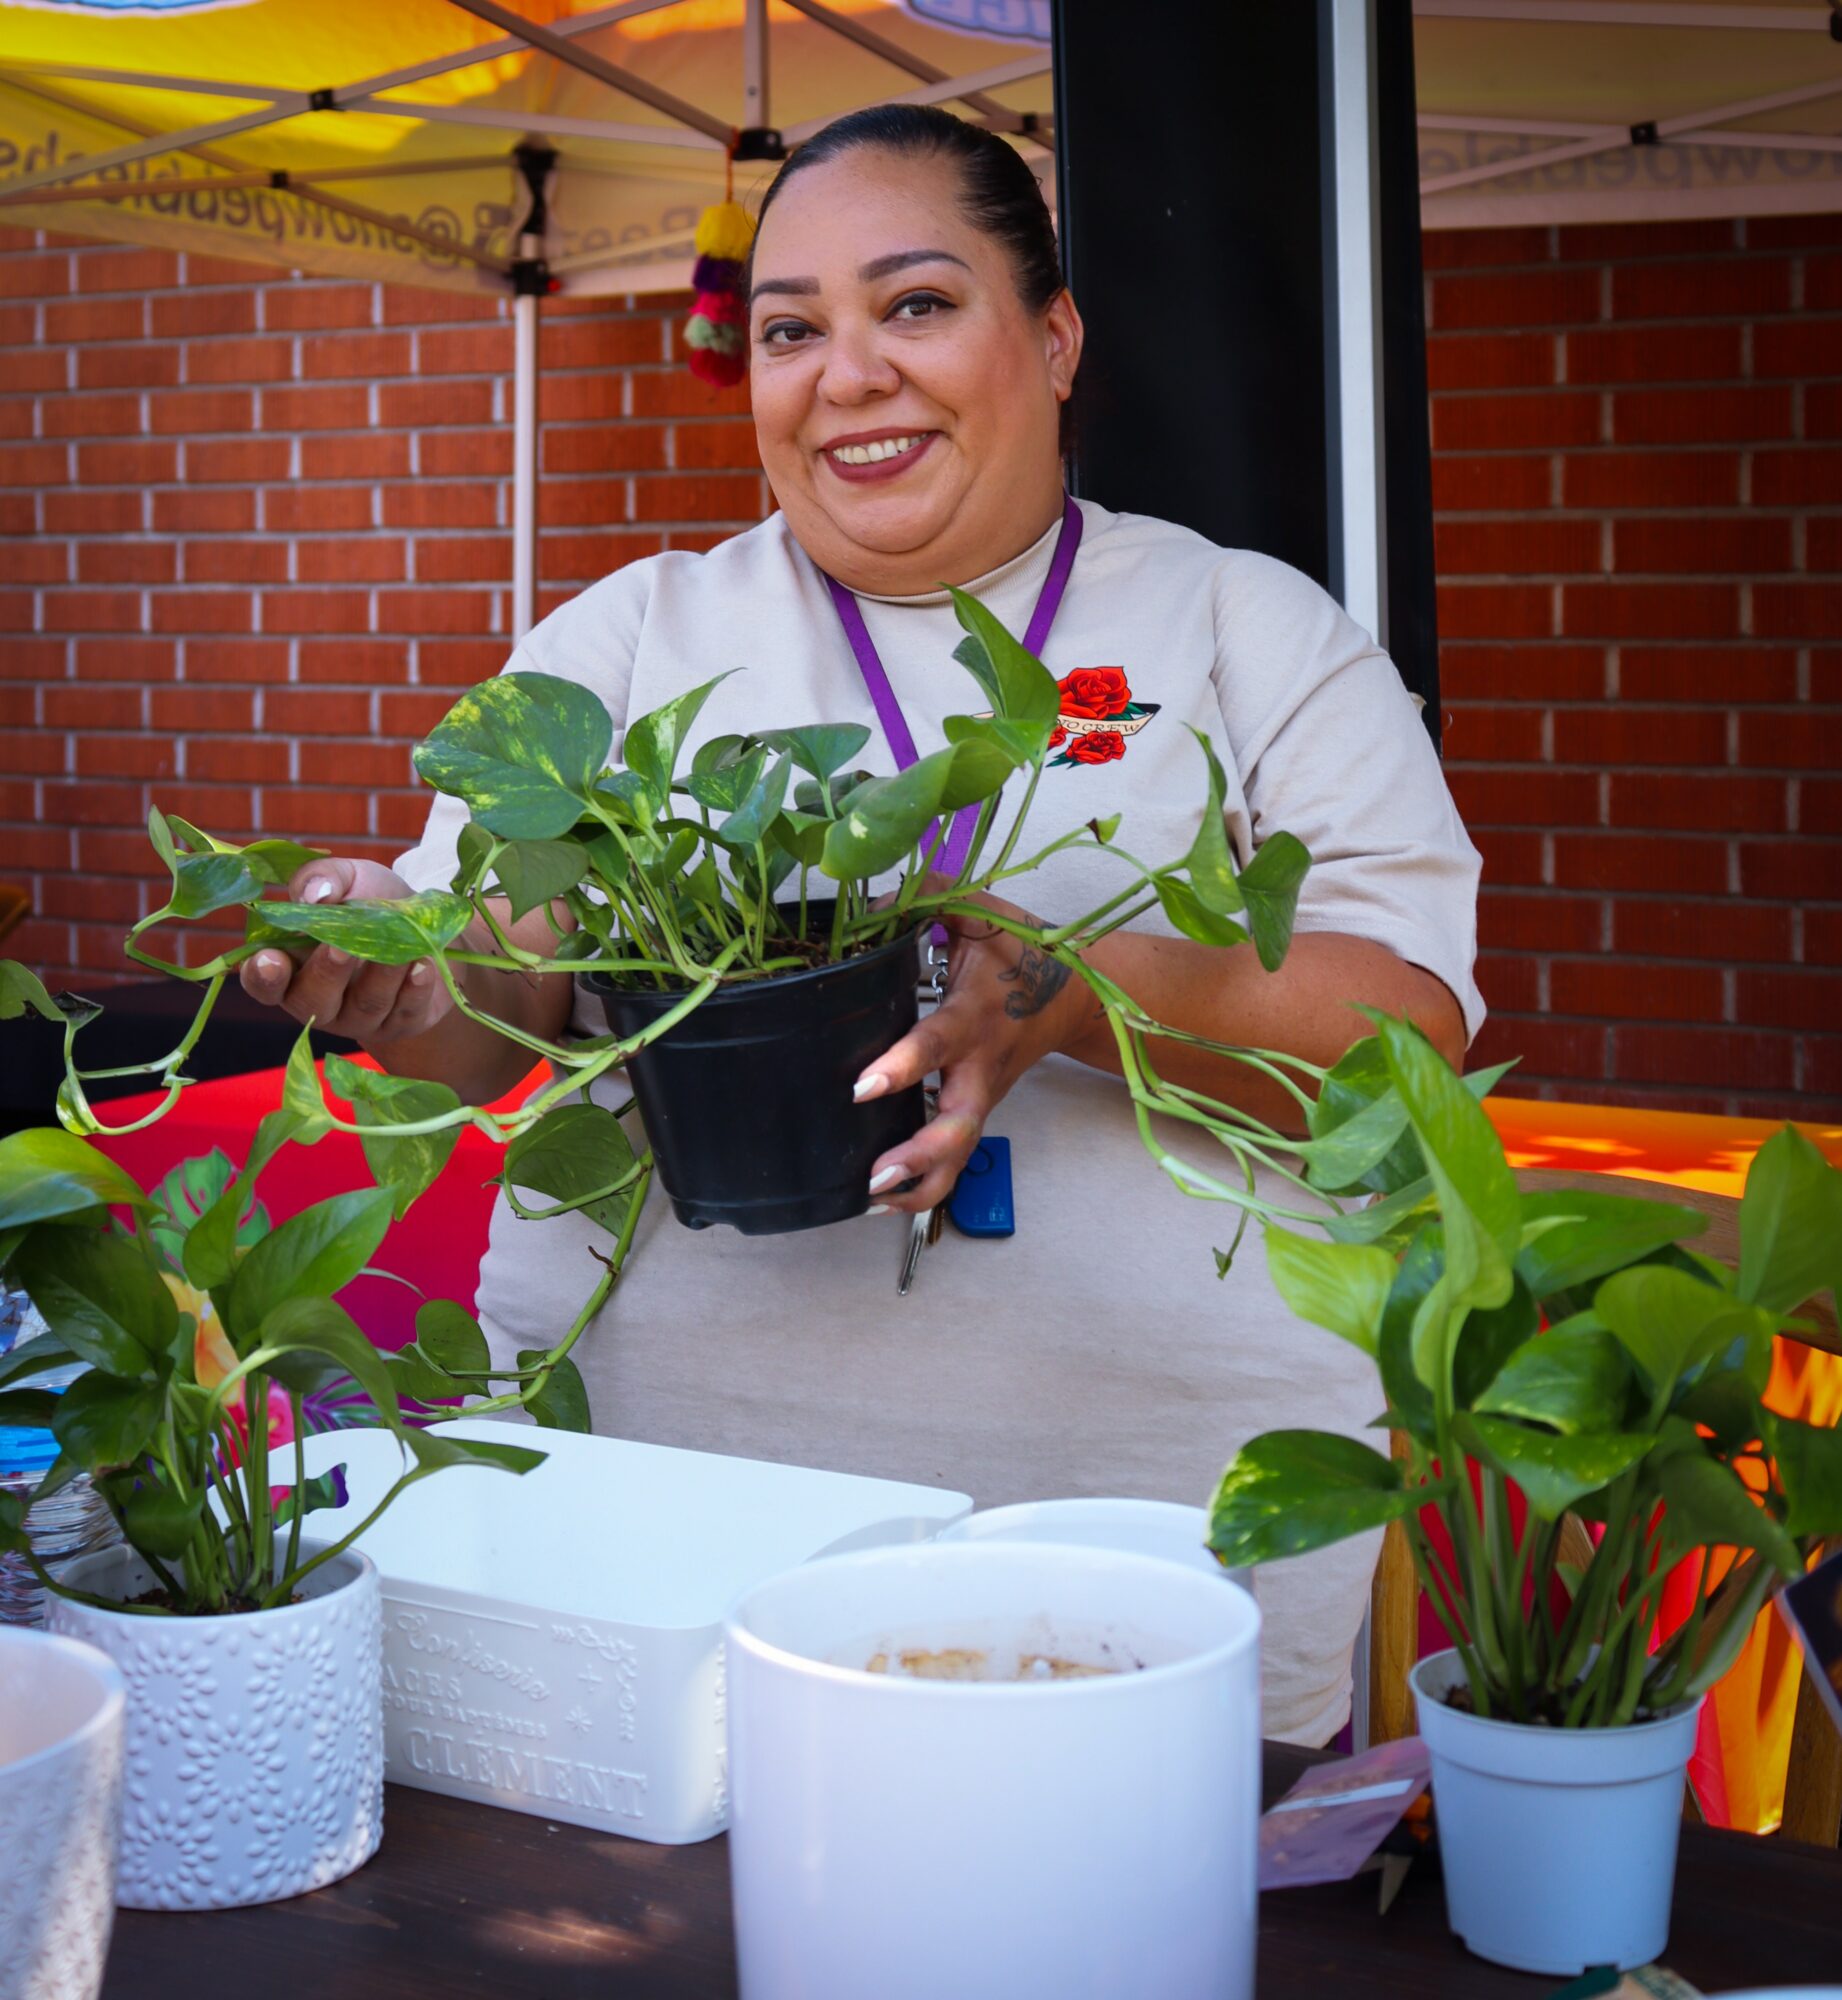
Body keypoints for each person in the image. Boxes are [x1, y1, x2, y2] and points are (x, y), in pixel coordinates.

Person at [241, 105, 1482, 1746]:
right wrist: (379, 965)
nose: (847, 372)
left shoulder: (1244, 624)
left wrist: (1074, 985)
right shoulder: (630, 636)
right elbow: (494, 1004)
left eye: (914, 304)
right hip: (662, 1520)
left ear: (1049, 340)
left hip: (1144, 1529)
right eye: (789, 329)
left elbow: (1407, 1052)